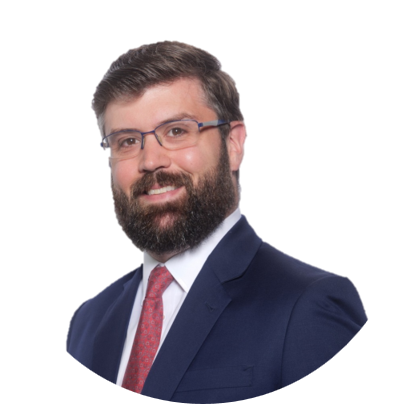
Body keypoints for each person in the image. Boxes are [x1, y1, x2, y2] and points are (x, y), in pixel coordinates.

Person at [65, 40, 368, 402]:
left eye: (176, 131)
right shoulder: (88, 322)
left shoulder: (308, 305)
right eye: (127, 141)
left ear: (234, 144)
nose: (150, 161)